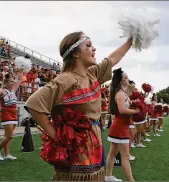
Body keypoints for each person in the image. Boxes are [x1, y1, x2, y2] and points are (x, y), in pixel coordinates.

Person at [24, 31, 134, 181]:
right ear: (75, 53)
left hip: (94, 137)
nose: (94, 49)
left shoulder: (92, 73)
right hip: (78, 143)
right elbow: (33, 104)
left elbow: (113, 58)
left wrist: (131, 40)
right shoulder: (66, 79)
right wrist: (56, 135)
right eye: (88, 46)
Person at [106, 68, 140, 181]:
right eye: (125, 78)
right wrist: (136, 111)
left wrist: (134, 103)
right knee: (125, 156)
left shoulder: (122, 93)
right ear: (120, 81)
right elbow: (122, 110)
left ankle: (108, 176)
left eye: (127, 77)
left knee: (112, 153)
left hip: (120, 127)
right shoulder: (120, 94)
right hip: (120, 128)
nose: (128, 79)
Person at [0, 73, 22, 161]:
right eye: (11, 82)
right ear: (6, 82)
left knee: (7, 136)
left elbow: (19, 80)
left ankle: (7, 154)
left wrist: (21, 71)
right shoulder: (2, 90)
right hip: (6, 114)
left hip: (14, 114)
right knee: (9, 136)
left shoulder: (12, 91)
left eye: (13, 82)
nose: (13, 83)